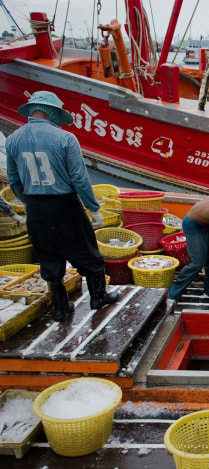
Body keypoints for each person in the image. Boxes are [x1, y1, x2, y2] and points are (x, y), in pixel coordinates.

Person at [5, 91, 117, 322]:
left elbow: (14, 180)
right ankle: (98, 297)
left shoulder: (13, 139)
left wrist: (28, 202)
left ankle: (60, 309)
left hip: (35, 207)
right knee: (88, 254)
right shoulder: (65, 138)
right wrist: (93, 207)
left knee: (48, 258)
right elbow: (79, 178)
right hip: (65, 206)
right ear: (53, 112)